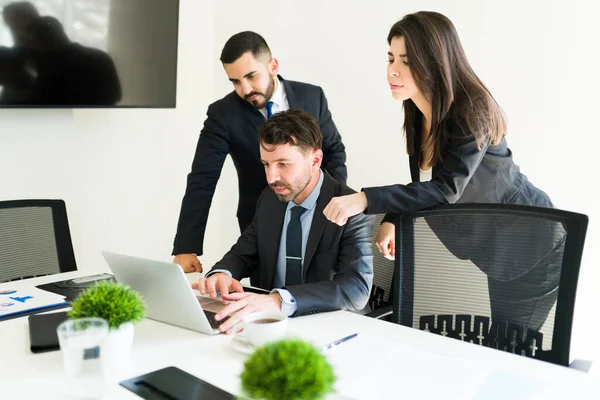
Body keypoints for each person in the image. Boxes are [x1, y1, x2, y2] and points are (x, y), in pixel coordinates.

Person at [322, 11, 564, 332]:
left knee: (512, 350)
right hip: (499, 250)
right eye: (391, 58)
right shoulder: (418, 109)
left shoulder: (472, 111)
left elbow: (446, 189)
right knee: (501, 347)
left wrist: (366, 200)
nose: (392, 71)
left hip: (533, 247)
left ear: (434, 63)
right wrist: (394, 218)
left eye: (406, 62)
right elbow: (424, 182)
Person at [173, 31, 347, 276]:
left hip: (320, 219)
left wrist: (335, 201)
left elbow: (333, 152)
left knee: (319, 293)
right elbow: (202, 179)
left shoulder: (312, 96)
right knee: (264, 297)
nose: (245, 89)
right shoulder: (222, 114)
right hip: (260, 225)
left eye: (251, 76)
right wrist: (186, 247)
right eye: (235, 81)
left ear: (272, 66)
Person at [192, 109, 373, 334]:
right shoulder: (270, 199)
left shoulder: (350, 207)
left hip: (333, 328)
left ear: (315, 159)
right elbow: (243, 253)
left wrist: (279, 300)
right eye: (266, 164)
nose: (271, 177)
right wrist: (221, 274)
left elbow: (356, 289)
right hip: (273, 326)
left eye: (283, 164)